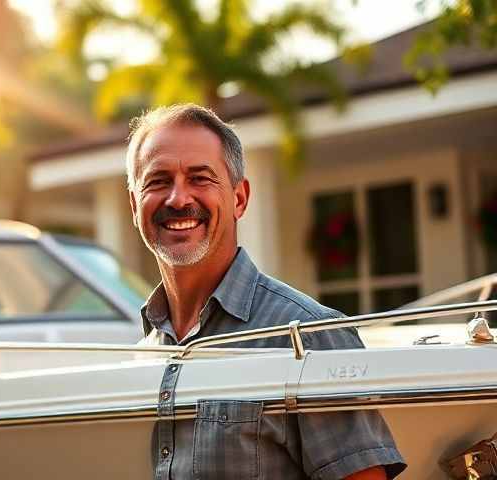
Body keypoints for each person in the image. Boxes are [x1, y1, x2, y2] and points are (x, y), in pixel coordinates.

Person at [126, 104, 405, 480]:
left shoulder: (308, 337)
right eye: (158, 180)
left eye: (200, 178)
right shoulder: (146, 350)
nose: (178, 199)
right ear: (134, 205)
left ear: (239, 198)